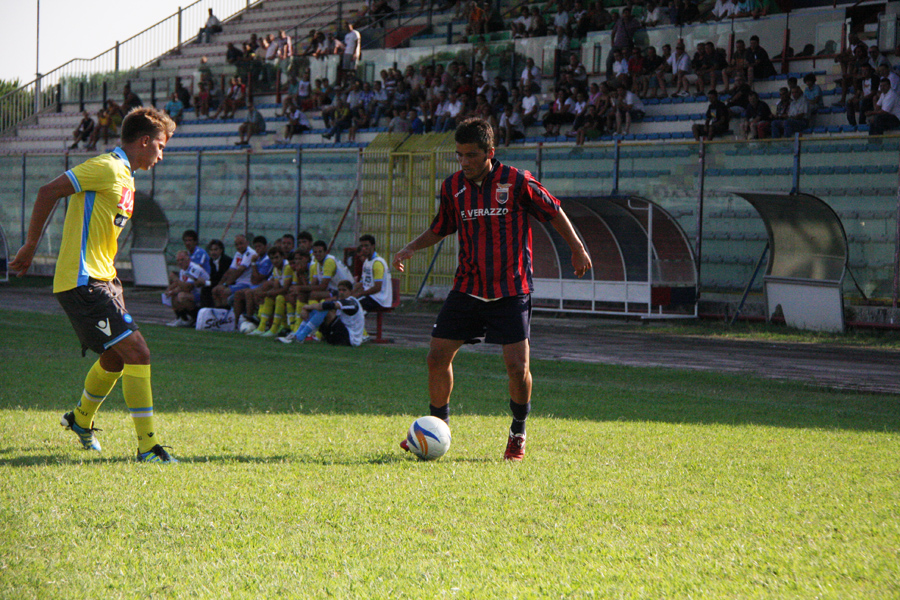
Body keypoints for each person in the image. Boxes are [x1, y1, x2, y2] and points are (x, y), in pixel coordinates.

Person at [391, 118, 592, 461]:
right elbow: (441, 227)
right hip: (468, 286)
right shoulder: (453, 186)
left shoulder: (517, 181)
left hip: (511, 289)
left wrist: (577, 247)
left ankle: (518, 433)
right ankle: (437, 428)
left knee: (517, 369)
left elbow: (554, 210)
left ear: (489, 152)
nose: (464, 161)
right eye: (459, 155)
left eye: (471, 155)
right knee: (436, 356)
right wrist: (411, 247)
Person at [9, 107, 178, 463]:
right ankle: (148, 448)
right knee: (139, 353)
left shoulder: (126, 177)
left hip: (105, 280)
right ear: (144, 141)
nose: (161, 155)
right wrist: (30, 245)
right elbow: (47, 191)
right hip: (83, 281)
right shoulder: (107, 167)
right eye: (160, 146)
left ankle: (80, 419)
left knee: (115, 359)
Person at [280, 280, 365, 346]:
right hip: (342, 334)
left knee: (324, 309)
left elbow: (327, 305)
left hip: (351, 339)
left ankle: (300, 337)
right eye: (339, 290)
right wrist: (307, 309)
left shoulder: (351, 302)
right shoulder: (342, 301)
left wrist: (306, 307)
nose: (341, 292)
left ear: (350, 292)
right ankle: (297, 334)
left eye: (344, 290)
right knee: (320, 309)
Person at [211, 234, 258, 307]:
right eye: (236, 245)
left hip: (247, 283)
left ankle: (226, 310)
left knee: (224, 292)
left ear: (247, 243)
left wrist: (225, 284)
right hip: (238, 283)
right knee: (215, 290)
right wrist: (220, 284)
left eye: (241, 243)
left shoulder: (250, 253)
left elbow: (240, 270)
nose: (239, 246)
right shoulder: (238, 253)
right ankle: (220, 311)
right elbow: (230, 270)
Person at [165, 250, 209, 327]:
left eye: (182, 260)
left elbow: (187, 288)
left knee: (182, 296)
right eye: (178, 260)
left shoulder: (194, 268)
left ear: (188, 259)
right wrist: (172, 291)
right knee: (174, 295)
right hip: (194, 293)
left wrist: (175, 279)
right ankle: (182, 318)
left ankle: (195, 318)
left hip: (204, 294)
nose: (180, 262)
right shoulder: (183, 270)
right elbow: (181, 286)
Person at [352, 234, 392, 311]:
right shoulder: (366, 262)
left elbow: (377, 287)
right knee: (346, 302)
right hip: (370, 296)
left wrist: (360, 294)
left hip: (379, 299)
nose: (364, 249)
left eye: (366, 246)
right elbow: (363, 282)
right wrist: (351, 292)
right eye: (362, 246)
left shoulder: (377, 263)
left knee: (352, 305)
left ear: (373, 246)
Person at [200, 239, 230, 308]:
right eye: (211, 250)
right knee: (204, 289)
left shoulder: (227, 261)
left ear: (221, 250)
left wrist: (207, 282)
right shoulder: (210, 262)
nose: (213, 252)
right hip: (215, 283)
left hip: (225, 284)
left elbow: (223, 277)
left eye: (215, 250)